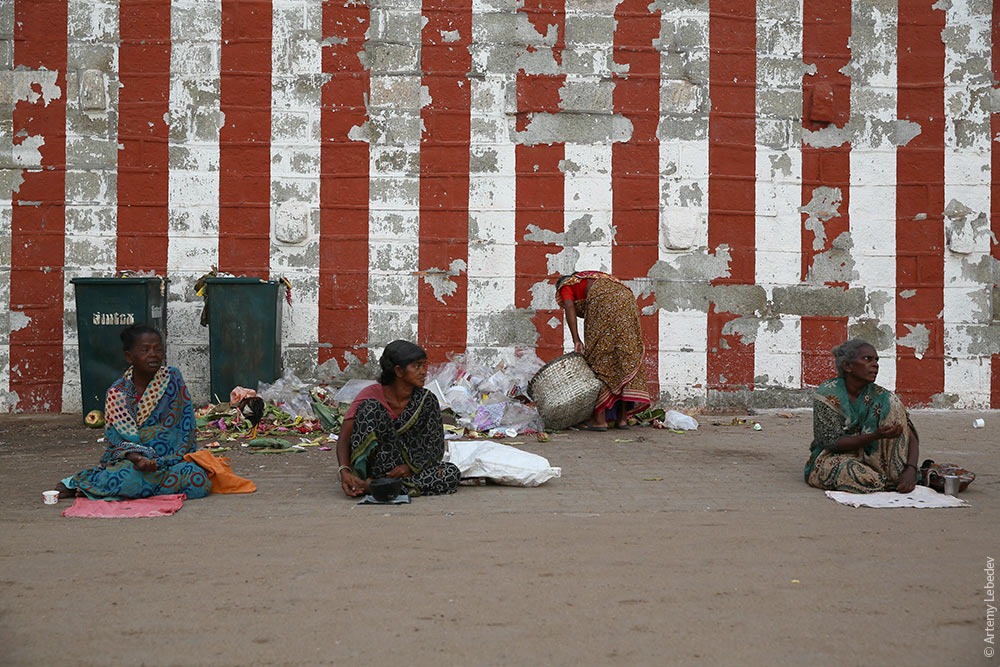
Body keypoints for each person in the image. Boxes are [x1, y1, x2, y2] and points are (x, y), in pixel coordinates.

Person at [55, 325, 211, 499]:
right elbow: (117, 439)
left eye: (158, 349)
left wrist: (164, 460)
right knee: (128, 478)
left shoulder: (173, 378)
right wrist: (138, 459)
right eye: (145, 350)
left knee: (198, 480)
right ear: (129, 357)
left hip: (171, 460)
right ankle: (81, 481)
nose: (153, 354)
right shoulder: (118, 392)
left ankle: (107, 489)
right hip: (134, 462)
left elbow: (185, 427)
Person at [337, 340, 460, 498]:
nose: (423, 372)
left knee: (451, 473)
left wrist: (409, 467)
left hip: (410, 468)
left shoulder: (427, 400)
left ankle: (376, 488)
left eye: (424, 365)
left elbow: (435, 448)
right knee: (369, 407)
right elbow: (344, 438)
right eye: (416, 366)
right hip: (377, 466)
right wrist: (344, 471)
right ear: (398, 371)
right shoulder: (370, 396)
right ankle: (375, 483)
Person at [804, 338, 921, 494]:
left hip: (874, 459)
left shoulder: (883, 396)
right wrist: (874, 436)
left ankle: (896, 477)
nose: (875, 365)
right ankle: (890, 482)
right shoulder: (827, 394)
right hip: (837, 456)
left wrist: (911, 469)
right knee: (848, 471)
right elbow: (832, 443)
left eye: (876, 360)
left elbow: (909, 435)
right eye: (867, 359)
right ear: (848, 366)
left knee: (892, 402)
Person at [555, 271, 652, 430]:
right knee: (625, 359)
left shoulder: (567, 284)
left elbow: (569, 305)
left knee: (599, 357)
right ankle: (622, 419)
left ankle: (600, 420)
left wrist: (576, 339)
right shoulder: (597, 278)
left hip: (603, 302)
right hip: (628, 301)